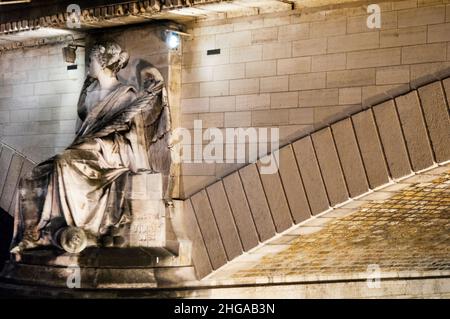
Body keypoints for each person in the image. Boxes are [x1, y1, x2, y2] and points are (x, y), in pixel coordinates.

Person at [10, 41, 172, 255]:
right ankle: (35, 234)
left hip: (110, 153)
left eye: (91, 61)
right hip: (85, 149)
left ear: (103, 63)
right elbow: (81, 133)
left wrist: (98, 143)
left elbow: (133, 140)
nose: (88, 66)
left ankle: (72, 226)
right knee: (35, 175)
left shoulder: (126, 95)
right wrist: (88, 142)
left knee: (63, 161)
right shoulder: (89, 93)